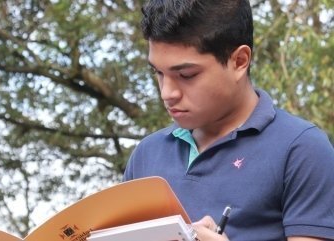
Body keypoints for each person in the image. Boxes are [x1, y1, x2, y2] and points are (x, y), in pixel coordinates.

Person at [123, 0, 334, 240]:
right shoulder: (147, 154)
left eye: (186, 75)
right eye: (158, 73)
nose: (167, 93)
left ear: (239, 61)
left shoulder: (301, 149)